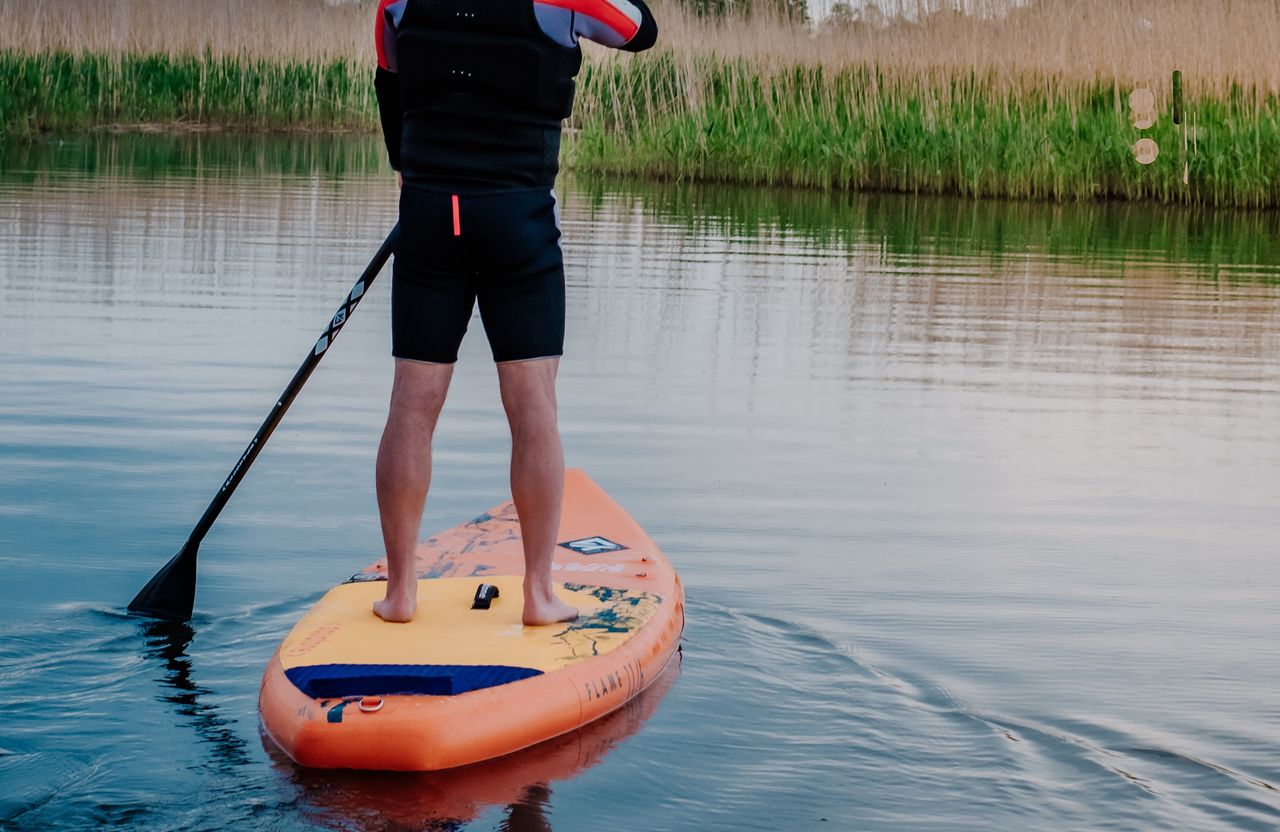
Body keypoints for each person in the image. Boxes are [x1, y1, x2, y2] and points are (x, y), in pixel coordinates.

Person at [370, 0, 658, 625]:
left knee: (411, 406)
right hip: (516, 220)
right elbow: (639, 30)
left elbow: (388, 78)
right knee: (533, 407)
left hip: (429, 214)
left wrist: (407, 169)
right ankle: (537, 594)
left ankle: (400, 594)